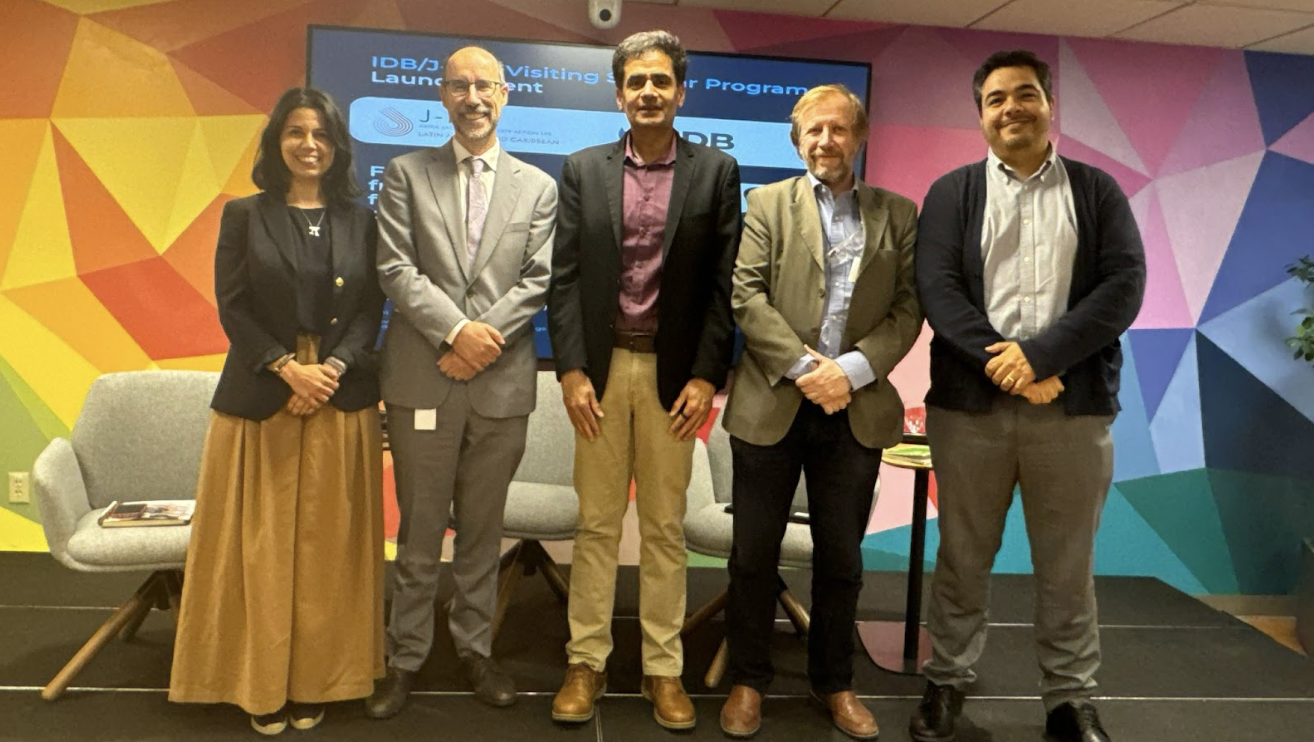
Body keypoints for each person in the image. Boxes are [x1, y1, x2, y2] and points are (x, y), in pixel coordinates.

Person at [910, 50, 1146, 742]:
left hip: (1070, 411)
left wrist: (1041, 358)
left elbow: (1123, 287)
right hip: (969, 412)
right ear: (981, 115)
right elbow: (939, 292)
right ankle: (946, 682)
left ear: (1049, 104)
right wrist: (1009, 366)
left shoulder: (1097, 192)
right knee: (962, 555)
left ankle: (1069, 700)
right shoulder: (951, 194)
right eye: (995, 99)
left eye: (1024, 94)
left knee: (1067, 566)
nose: (1011, 108)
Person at [169, 86, 386, 736]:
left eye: (321, 133)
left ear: (337, 145)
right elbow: (232, 305)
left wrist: (331, 369)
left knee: (327, 550)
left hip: (339, 394)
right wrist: (287, 368)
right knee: (258, 550)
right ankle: (257, 682)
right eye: (295, 132)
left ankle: (318, 680)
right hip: (264, 394)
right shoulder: (243, 215)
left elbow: (371, 308)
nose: (308, 144)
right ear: (276, 142)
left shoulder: (362, 219)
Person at [545, 29, 740, 731]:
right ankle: (586, 662)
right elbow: (564, 279)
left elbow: (723, 288)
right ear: (619, 93)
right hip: (600, 372)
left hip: (673, 377)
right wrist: (571, 369)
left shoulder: (716, 172)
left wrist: (706, 377)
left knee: (663, 529)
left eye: (661, 81)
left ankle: (664, 669)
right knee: (596, 525)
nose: (648, 92)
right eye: (636, 81)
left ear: (681, 91)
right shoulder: (582, 168)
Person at [717, 84, 921, 740]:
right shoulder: (766, 203)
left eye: (838, 129)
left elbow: (909, 308)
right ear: (796, 139)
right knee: (753, 555)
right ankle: (749, 679)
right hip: (773, 403)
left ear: (858, 136)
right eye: (813, 130)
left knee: (841, 560)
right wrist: (809, 371)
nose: (825, 141)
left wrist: (849, 372)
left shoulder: (898, 213)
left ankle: (835, 682)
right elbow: (746, 295)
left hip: (854, 408)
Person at [365, 46, 558, 718]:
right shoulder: (405, 174)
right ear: (442, 96)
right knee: (419, 531)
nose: (473, 98)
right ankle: (405, 657)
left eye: (484, 86)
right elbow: (395, 268)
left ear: (505, 95)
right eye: (459, 86)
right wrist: (455, 333)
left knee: (481, 530)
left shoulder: (539, 187)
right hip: (424, 378)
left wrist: (477, 343)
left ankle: (476, 650)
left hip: (500, 386)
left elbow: (537, 279)